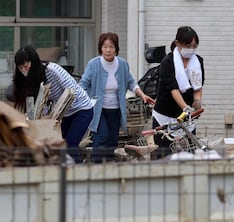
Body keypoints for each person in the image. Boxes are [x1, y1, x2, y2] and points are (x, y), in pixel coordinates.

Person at [78, 32, 155, 162]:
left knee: (113, 139)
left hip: (115, 109)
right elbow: (83, 84)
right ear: (100, 48)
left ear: (116, 48)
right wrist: (83, 101)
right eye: (105, 46)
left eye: (111, 47)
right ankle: (96, 168)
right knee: (101, 136)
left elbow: (131, 82)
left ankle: (109, 168)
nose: (108, 50)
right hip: (98, 109)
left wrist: (142, 95)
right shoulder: (93, 64)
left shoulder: (122, 64)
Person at [12, 45, 94, 163]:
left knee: (70, 145)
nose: (24, 70)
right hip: (64, 113)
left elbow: (72, 91)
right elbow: (40, 102)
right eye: (20, 68)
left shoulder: (52, 69)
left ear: (33, 62)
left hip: (82, 108)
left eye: (26, 66)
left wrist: (57, 115)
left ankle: (77, 175)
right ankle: (66, 173)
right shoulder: (29, 79)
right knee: (60, 146)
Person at [151, 26, 205, 160]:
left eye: (194, 46)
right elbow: (173, 89)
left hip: (186, 118)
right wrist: (185, 107)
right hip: (165, 114)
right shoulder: (168, 62)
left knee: (189, 154)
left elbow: (198, 86)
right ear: (177, 44)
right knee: (163, 156)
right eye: (188, 45)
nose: (191, 49)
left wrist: (197, 100)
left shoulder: (198, 61)